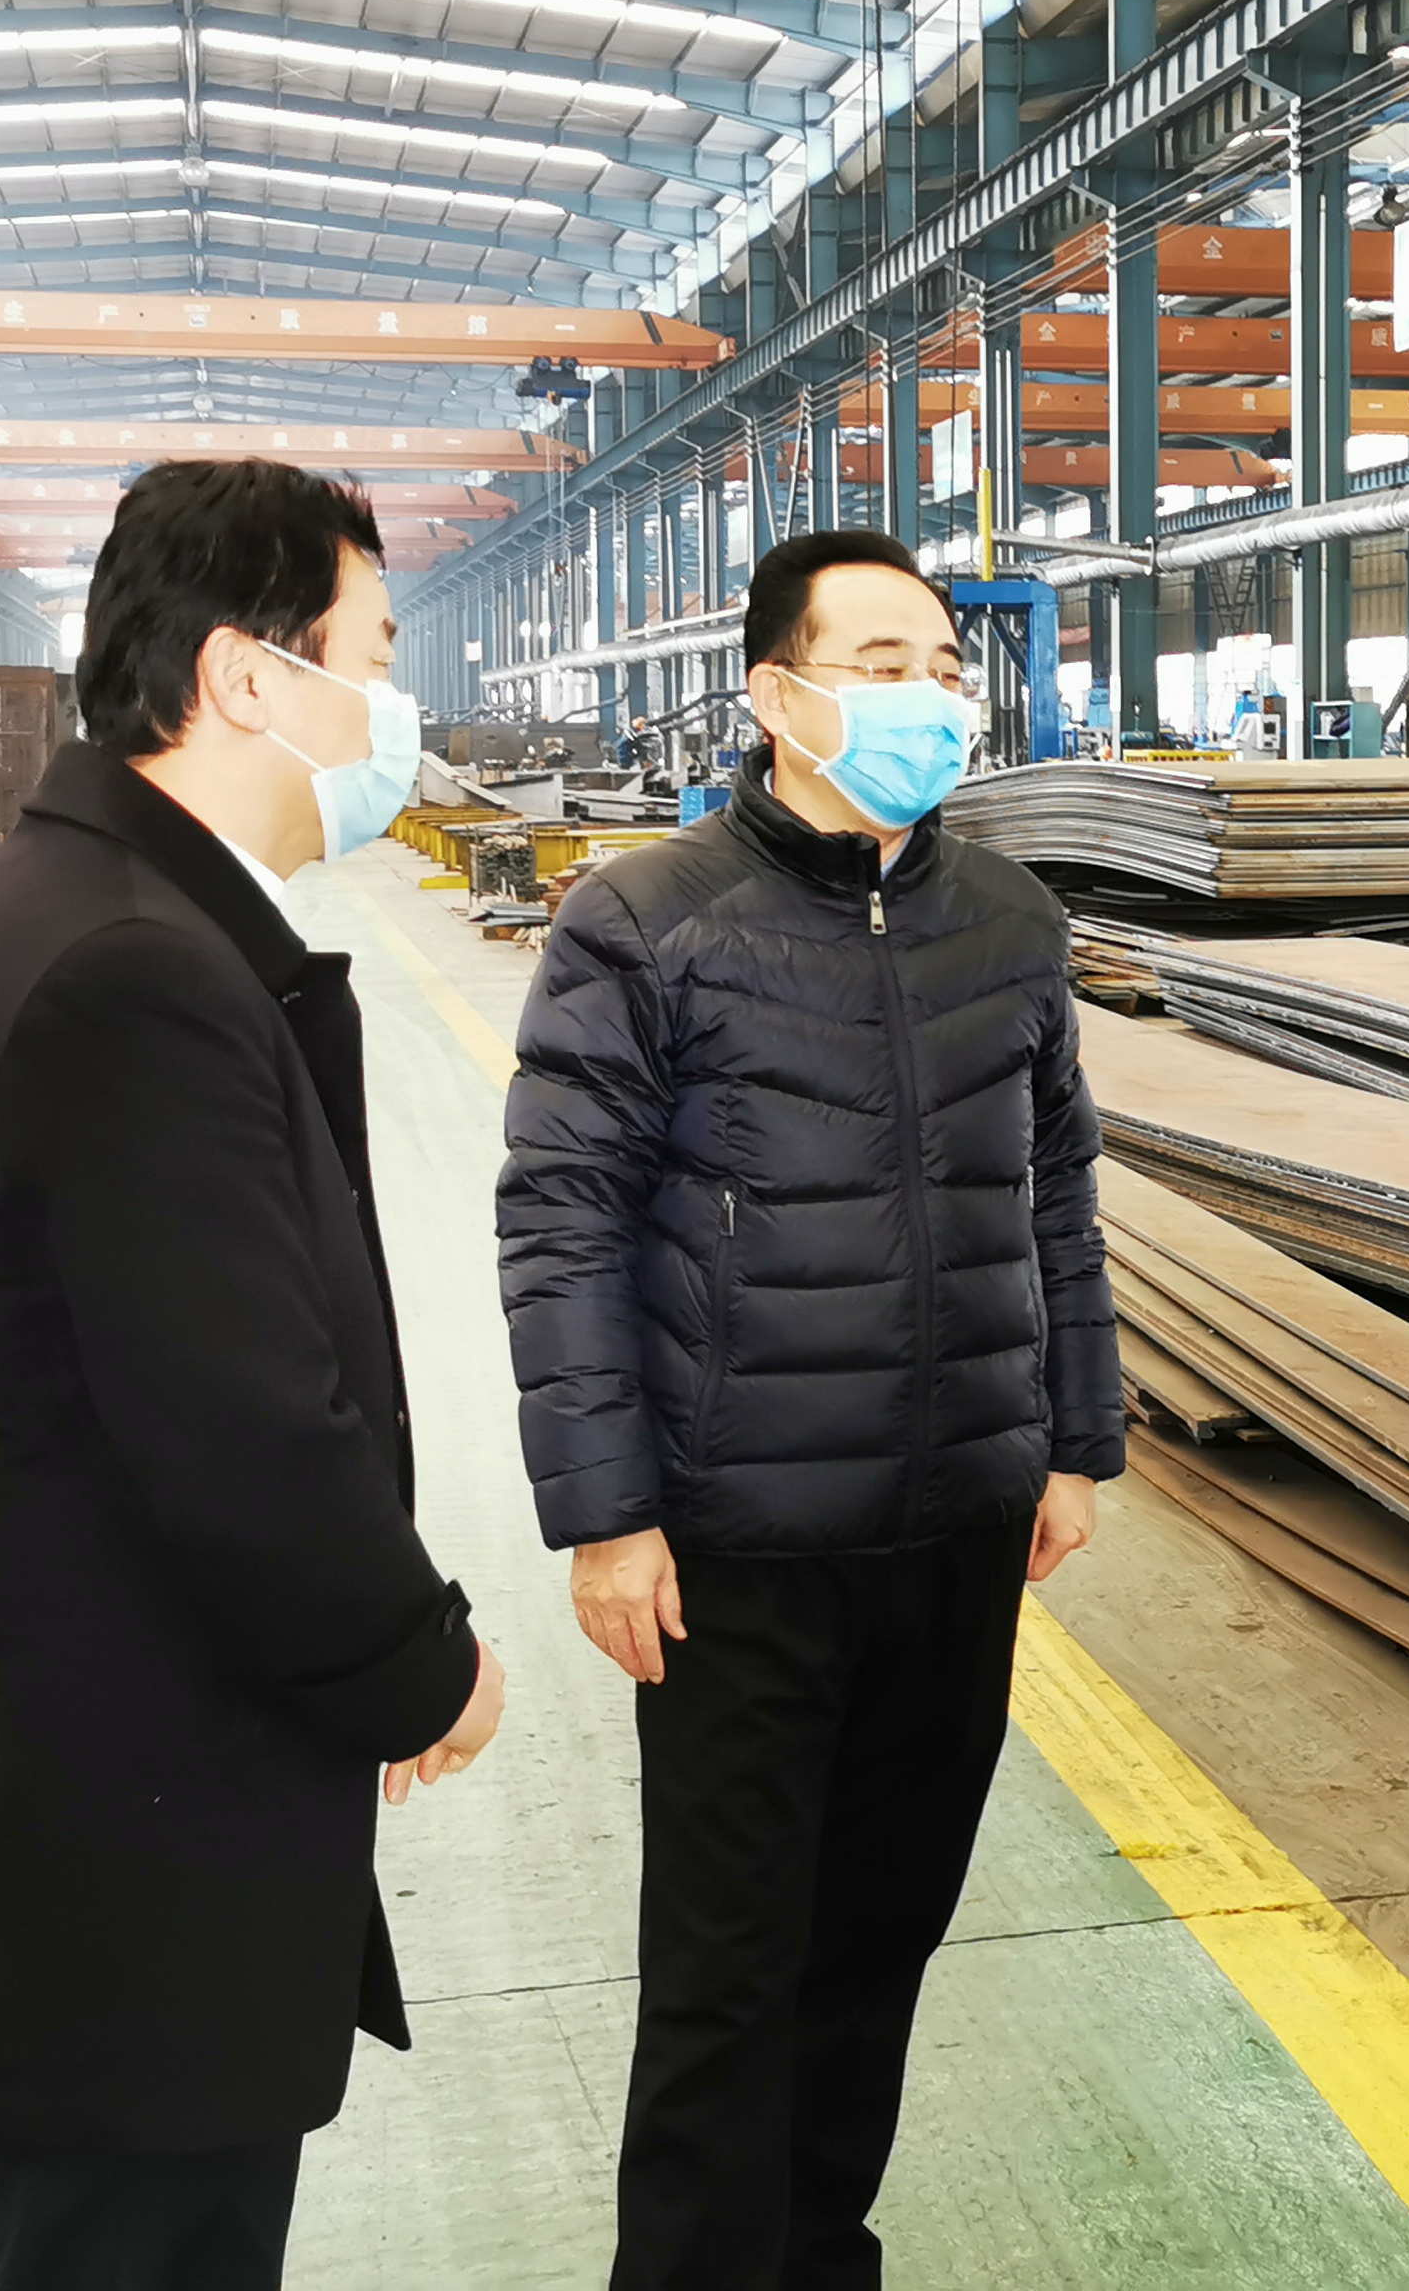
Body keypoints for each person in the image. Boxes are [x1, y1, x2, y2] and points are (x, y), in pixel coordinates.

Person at [0, 458, 506, 2289]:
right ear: (246, 677)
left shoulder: (101, 912)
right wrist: (419, 1667)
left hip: (91, 1837)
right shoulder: (130, 970)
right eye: (376, 653)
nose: (395, 706)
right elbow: (243, 1436)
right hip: (118, 1872)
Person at [498, 527, 1123, 2291]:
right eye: (884, 664)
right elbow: (562, 1224)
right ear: (778, 695)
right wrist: (608, 1515)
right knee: (728, 1981)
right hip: (744, 1552)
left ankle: (822, 2259)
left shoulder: (1010, 919)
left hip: (957, 1535)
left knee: (876, 1954)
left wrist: (1076, 1440)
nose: (932, 696)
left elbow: (1057, 1191)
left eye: (946, 667)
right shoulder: (647, 921)